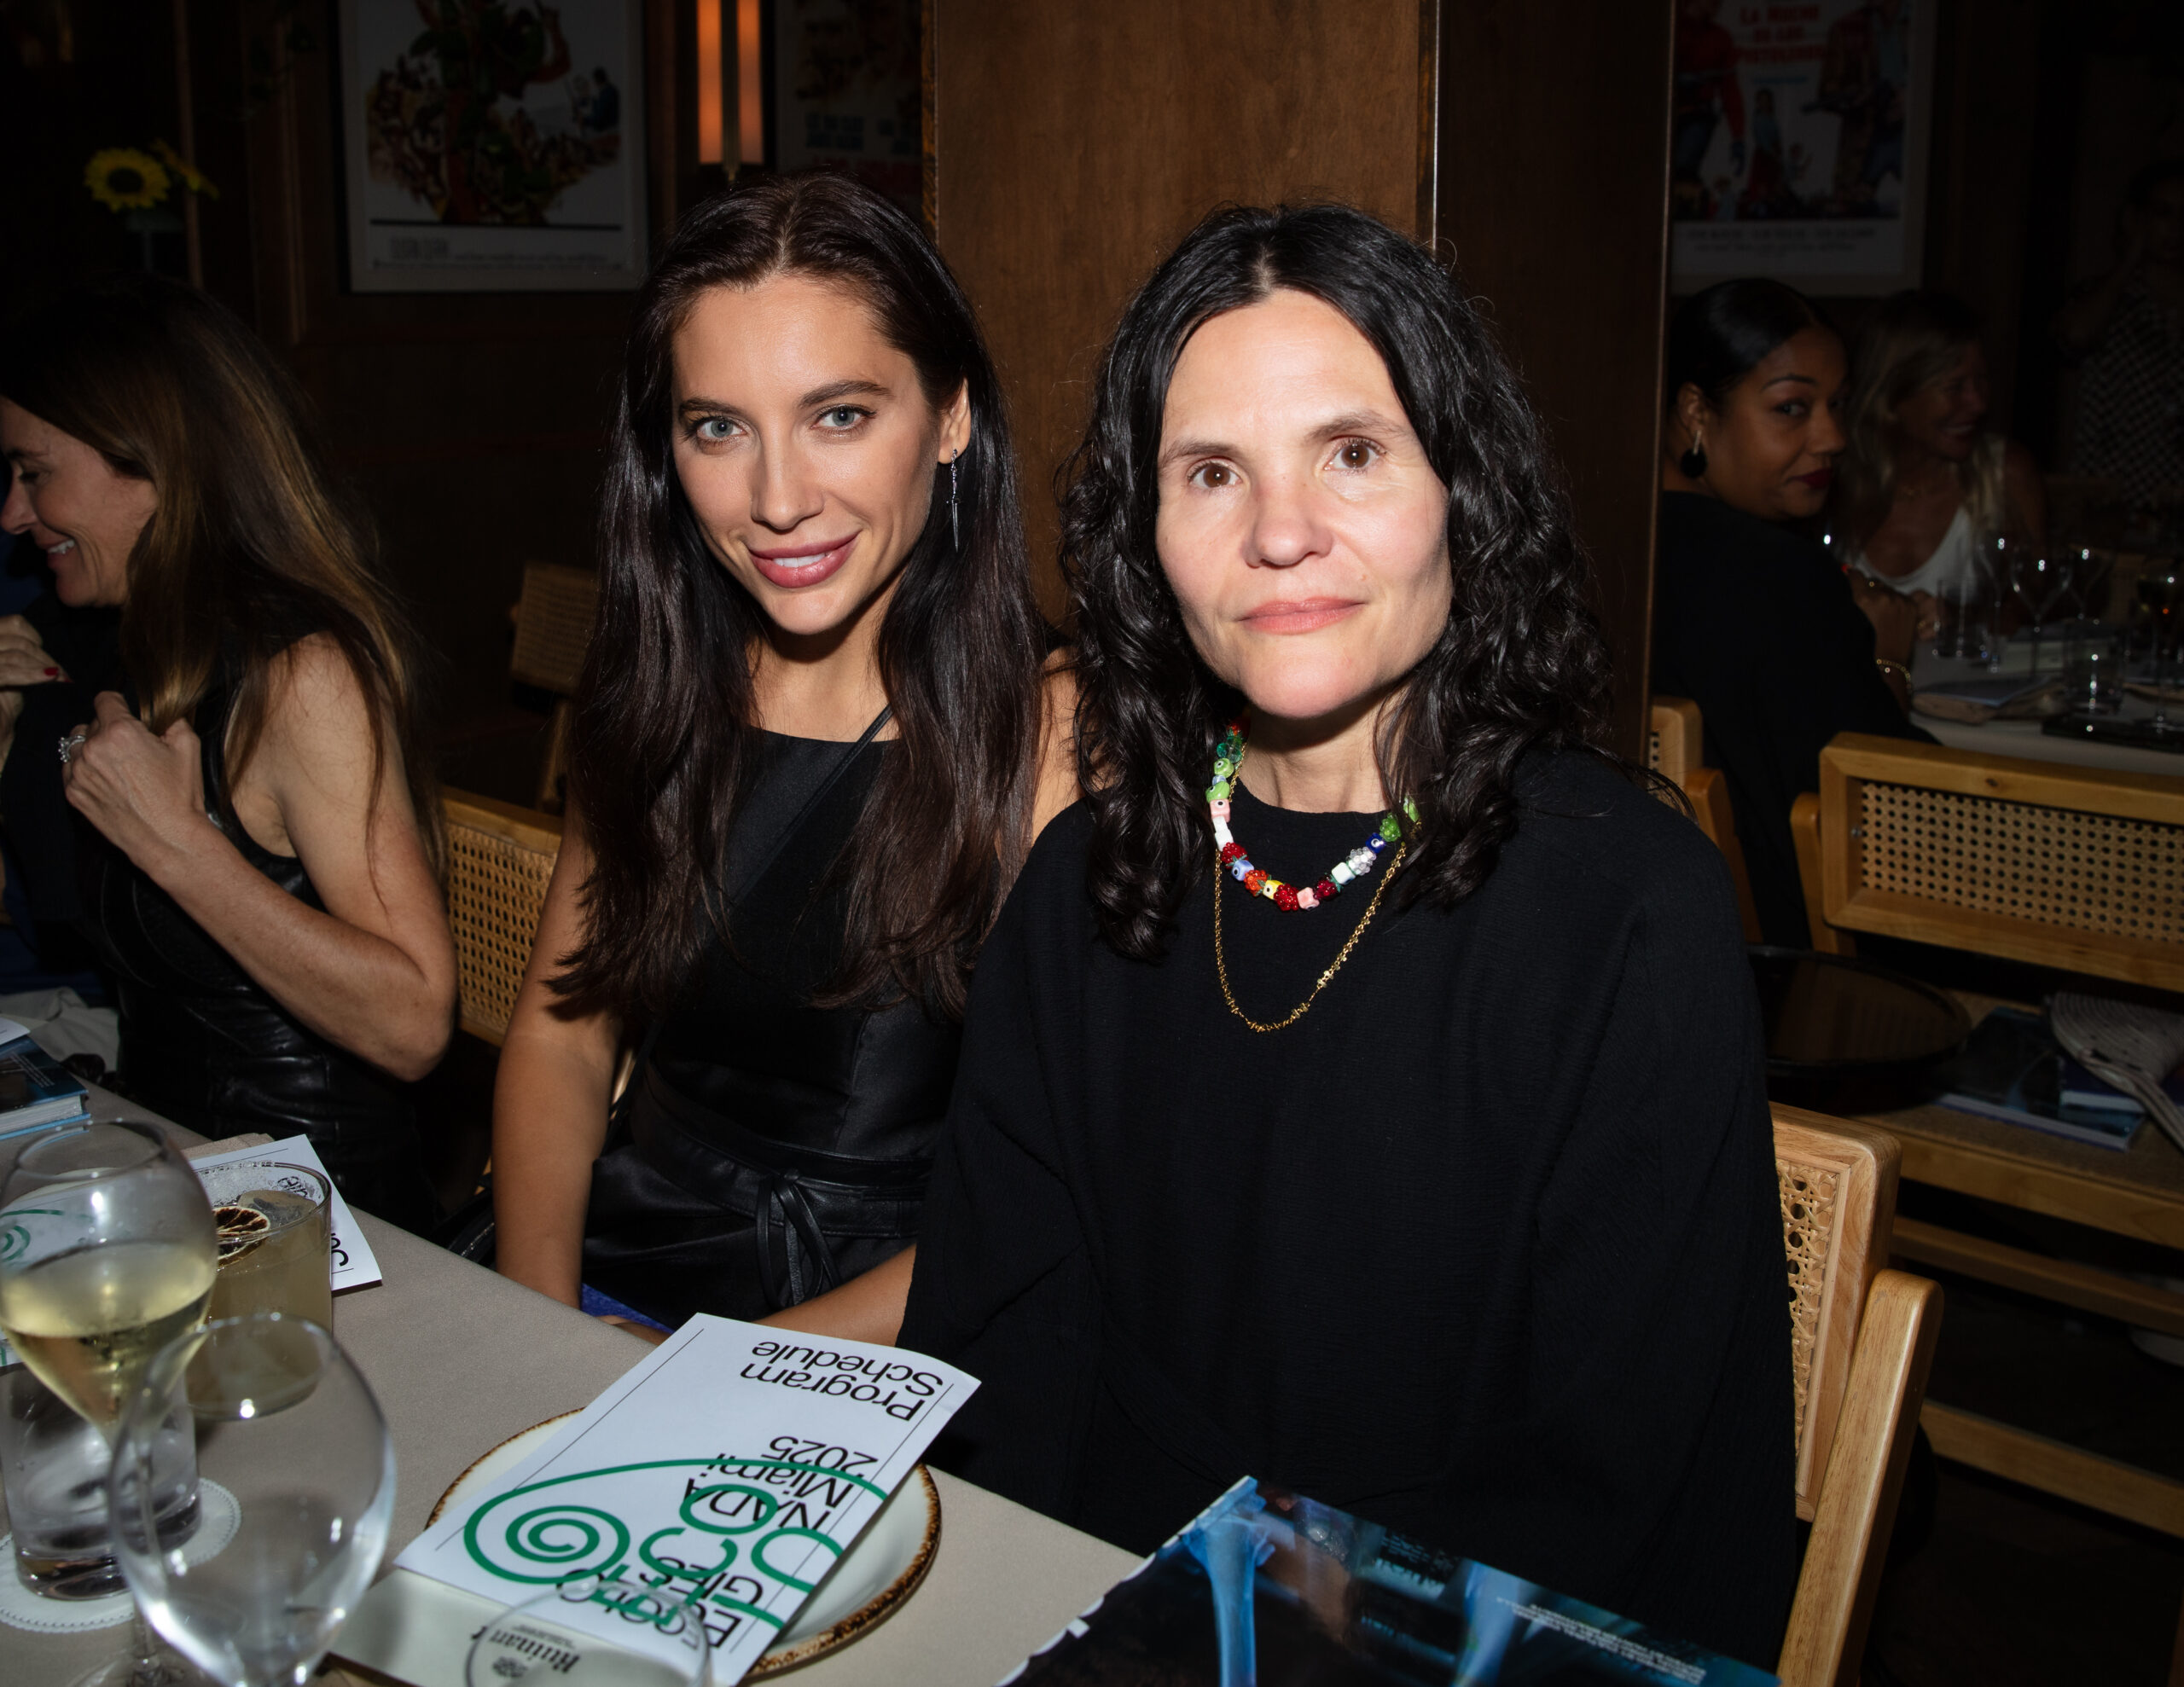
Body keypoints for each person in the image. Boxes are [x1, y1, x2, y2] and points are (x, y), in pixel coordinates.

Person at [897, 205, 1796, 1669]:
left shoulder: (1629, 911)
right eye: (1211, 473)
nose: (1282, 532)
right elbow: (1004, 1351)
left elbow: (1617, 1482)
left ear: (1463, 490)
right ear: (1147, 531)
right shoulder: (1081, 883)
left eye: (1354, 453)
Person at [490, 174, 1072, 1336]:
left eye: (839, 416)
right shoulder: (663, 683)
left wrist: (698, 1375)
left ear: (952, 416)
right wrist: (537, 1329)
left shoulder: (1054, 730)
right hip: (615, 1277)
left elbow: (1051, 1190)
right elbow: (563, 1034)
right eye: (719, 428)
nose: (777, 498)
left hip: (883, 1339)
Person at [0, 280, 456, 1231]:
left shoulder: (302, 672)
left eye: (34, 472)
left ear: (151, 462)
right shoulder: (145, 646)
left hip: (317, 1216)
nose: (13, 513)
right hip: (182, 1165)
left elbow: (412, 1022)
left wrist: (175, 842)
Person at [1653, 277, 1931, 951]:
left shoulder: (1603, 543)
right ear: (1696, 413)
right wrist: (1890, 657)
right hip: (1789, 962)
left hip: (1649, 933)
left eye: (1836, 406)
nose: (1833, 437)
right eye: (1792, 408)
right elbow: (1888, 818)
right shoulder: (1778, 577)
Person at [1836, 290, 2045, 602]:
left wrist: (1966, 620)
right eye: (1955, 387)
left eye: (1982, 380)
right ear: (1893, 395)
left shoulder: (2003, 474)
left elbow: (2043, 607)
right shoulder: (1832, 475)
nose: (1978, 404)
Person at [2056, 158, 2184, 507]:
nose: (2176, 228)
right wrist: (2129, 259)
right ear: (2137, 218)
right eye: (2163, 213)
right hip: (2110, 492)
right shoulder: (2108, 298)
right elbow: (2074, 337)